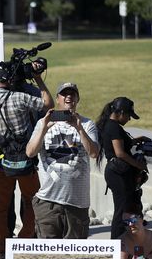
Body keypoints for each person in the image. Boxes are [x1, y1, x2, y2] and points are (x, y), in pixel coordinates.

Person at [0, 66, 53, 259]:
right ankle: (24, 241)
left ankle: (2, 250)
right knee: (33, 202)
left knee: (0, 207)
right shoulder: (19, 98)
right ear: (9, 82)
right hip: (25, 160)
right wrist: (38, 79)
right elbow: (47, 104)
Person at [25, 82, 99, 239]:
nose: (69, 96)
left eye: (72, 94)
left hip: (77, 203)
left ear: (78, 99)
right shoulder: (43, 123)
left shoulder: (87, 124)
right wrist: (44, 127)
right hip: (48, 201)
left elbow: (93, 153)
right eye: (64, 94)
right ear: (57, 99)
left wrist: (79, 128)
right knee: (47, 257)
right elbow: (30, 152)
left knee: (75, 256)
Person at [96, 97, 148, 239]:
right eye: (129, 116)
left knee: (126, 208)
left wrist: (137, 140)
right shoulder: (113, 127)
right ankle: (117, 244)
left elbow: (119, 146)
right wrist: (139, 165)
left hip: (116, 172)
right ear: (121, 113)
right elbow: (120, 153)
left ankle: (126, 240)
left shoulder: (111, 125)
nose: (129, 119)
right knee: (121, 210)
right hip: (118, 174)